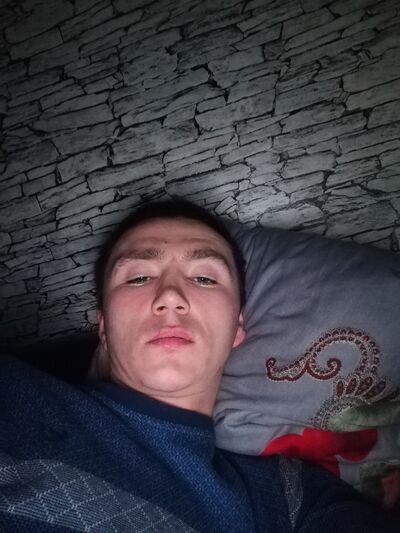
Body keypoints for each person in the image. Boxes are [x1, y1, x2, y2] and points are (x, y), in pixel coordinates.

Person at [0, 199, 398, 532]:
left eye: (205, 279)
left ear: (237, 327)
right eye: (138, 277)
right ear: (103, 325)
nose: (171, 296)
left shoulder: (283, 498)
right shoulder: (15, 405)